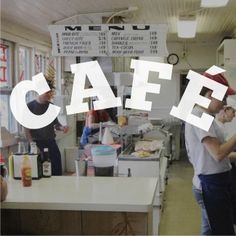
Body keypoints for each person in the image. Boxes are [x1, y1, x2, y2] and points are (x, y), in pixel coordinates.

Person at [185, 72, 236, 235]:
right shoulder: (199, 115)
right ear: (210, 94)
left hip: (215, 182)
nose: (224, 104)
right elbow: (218, 153)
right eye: (222, 98)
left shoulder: (205, 116)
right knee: (223, 231)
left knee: (210, 229)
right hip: (211, 184)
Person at [25, 78, 68, 176]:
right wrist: (33, 146)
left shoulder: (51, 106)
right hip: (36, 144)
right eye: (46, 92)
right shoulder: (29, 107)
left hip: (50, 142)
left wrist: (62, 128)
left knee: (56, 170)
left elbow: (56, 125)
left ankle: (56, 190)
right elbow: (27, 130)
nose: (49, 95)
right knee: (38, 173)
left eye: (50, 92)